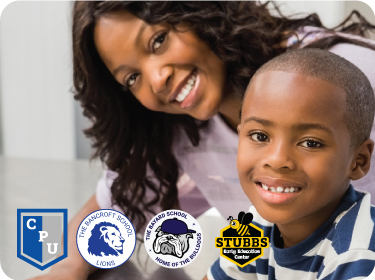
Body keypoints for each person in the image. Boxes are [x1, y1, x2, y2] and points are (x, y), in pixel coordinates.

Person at [30, 2, 375, 279]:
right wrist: (68, 266)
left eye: (158, 40)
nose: (157, 78)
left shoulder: (348, 78)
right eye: (132, 77)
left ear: (198, 11)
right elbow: (113, 208)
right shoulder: (185, 130)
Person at [206, 48, 375, 280]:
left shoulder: (359, 255)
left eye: (311, 143)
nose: (276, 160)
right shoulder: (254, 223)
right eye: (259, 136)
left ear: (359, 161)